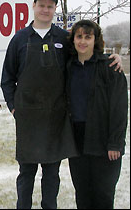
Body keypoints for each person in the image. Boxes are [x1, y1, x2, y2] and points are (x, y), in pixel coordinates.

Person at [0, 0, 123, 209]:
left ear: (55, 8)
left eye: (50, 6)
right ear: (34, 6)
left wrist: (111, 58)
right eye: (42, 5)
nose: (46, 10)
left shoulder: (63, 38)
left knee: (51, 174)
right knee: (26, 173)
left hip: (56, 119)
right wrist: (13, 106)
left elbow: (84, 55)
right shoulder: (19, 39)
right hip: (27, 119)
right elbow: (7, 78)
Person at [66, 20, 128, 209]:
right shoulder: (68, 67)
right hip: (77, 141)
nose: (83, 41)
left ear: (95, 40)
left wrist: (115, 143)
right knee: (83, 194)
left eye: (88, 37)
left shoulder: (110, 67)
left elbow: (119, 108)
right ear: (73, 40)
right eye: (79, 36)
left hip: (103, 141)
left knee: (103, 194)